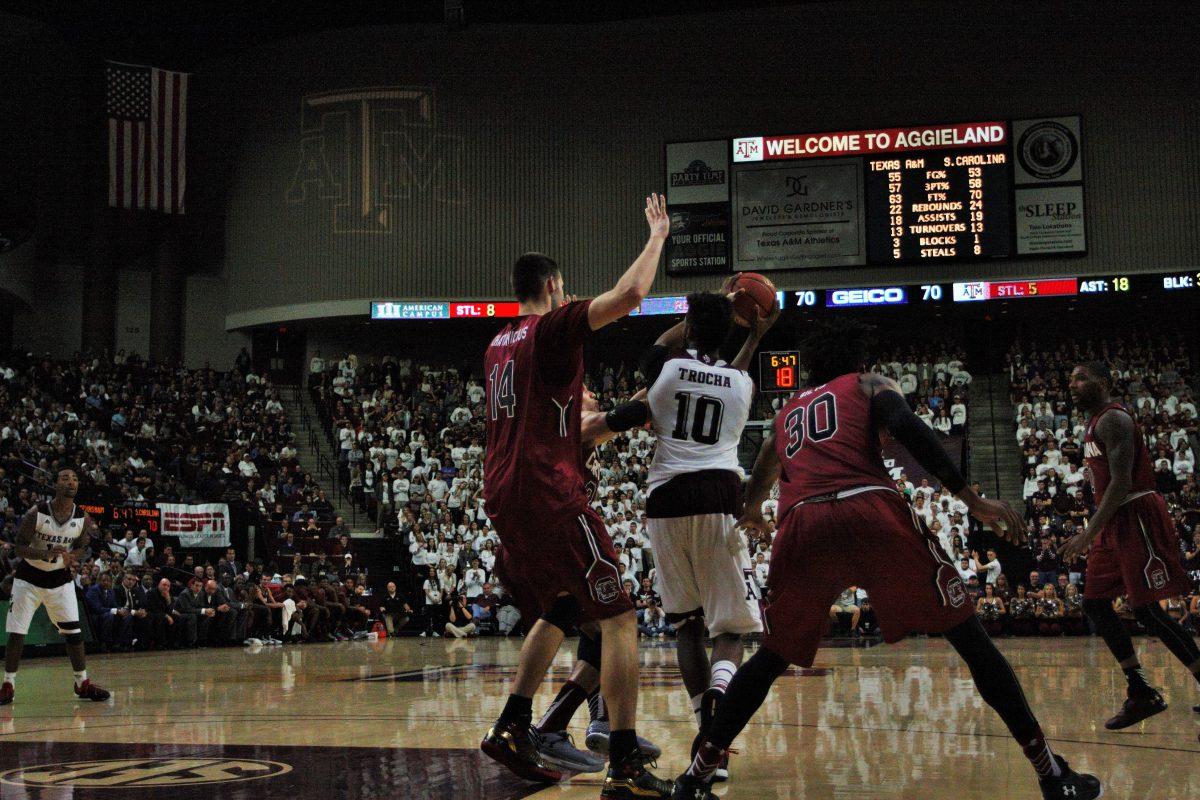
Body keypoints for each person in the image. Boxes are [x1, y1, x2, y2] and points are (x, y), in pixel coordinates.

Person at [671, 320, 1100, 800]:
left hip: (803, 523)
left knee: (770, 659)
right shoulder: (870, 384)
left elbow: (762, 477)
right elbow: (907, 428)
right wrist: (969, 498)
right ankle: (1051, 774)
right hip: (868, 507)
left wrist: (752, 511)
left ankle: (694, 778)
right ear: (858, 359)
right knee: (970, 640)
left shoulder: (788, 410)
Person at [480, 194, 674, 799]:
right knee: (618, 616)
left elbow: (568, 423)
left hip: (505, 493)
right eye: (564, 289)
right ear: (554, 285)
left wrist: (616, 417)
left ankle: (513, 724)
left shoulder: (496, 347)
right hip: (549, 492)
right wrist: (657, 237)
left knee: (562, 607)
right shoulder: (552, 327)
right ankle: (621, 757)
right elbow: (630, 297)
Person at [624, 288, 776, 783]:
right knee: (731, 629)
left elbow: (656, 350)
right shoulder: (741, 383)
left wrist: (690, 322)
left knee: (686, 624)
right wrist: (752, 336)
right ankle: (716, 728)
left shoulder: (665, 372)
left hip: (665, 500)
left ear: (689, 329)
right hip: (718, 494)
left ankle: (701, 725)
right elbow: (725, 371)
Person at [1059, 362, 1200, 728]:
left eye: (1081, 379)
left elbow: (1121, 482)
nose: (1072, 385)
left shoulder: (1113, 419)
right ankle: (1140, 690)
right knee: (1094, 603)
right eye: (1071, 380)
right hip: (1114, 522)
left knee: (1149, 611)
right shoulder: (1092, 423)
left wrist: (1088, 533)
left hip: (1135, 513)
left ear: (1103, 383)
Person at [2, 467, 110, 705]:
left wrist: (74, 556)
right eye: (64, 478)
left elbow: (82, 545)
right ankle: (8, 684)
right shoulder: (37, 512)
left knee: (74, 634)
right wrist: (45, 553)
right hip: (28, 579)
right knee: (17, 633)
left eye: (74, 479)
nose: (71, 481)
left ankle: (82, 683)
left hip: (59, 581)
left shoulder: (82, 517)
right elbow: (19, 547)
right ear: (56, 484)